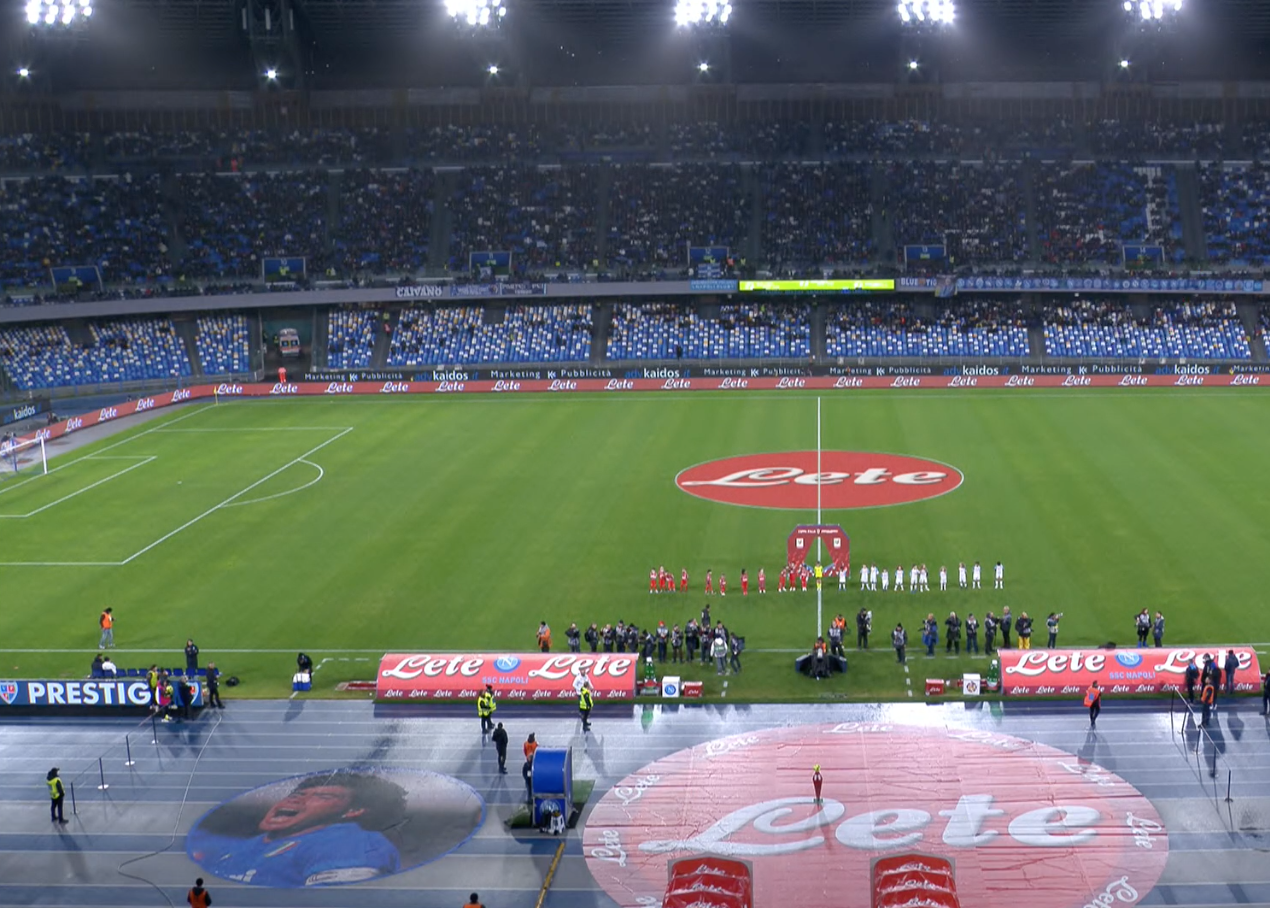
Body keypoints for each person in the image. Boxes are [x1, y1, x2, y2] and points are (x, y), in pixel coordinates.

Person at [187, 771, 404, 887]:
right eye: (297, 794)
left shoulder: (346, 843)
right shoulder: (241, 846)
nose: (296, 800)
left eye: (322, 796)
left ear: (353, 810)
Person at [523, 734, 538, 801]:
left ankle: (529, 797)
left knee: (529, 786)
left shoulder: (526, 743)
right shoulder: (535, 744)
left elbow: (524, 751)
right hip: (533, 758)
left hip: (528, 757)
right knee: (530, 786)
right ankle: (530, 798)